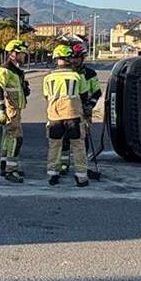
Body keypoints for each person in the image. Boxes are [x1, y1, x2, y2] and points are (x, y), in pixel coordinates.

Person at [43, 44, 90, 186]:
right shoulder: (77, 76)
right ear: (68, 58)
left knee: (54, 146)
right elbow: (84, 96)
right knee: (78, 146)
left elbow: (47, 96)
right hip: (73, 115)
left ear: (56, 59)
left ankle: (53, 174)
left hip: (54, 116)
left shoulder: (48, 78)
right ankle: (81, 177)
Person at [0, 38, 29, 182]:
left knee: (7, 138)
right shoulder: (5, 69)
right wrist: (1, 109)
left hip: (14, 108)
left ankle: (5, 165)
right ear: (13, 54)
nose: (24, 56)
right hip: (11, 109)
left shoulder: (15, 70)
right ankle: (11, 170)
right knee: (16, 138)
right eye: (22, 53)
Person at [69, 40, 103, 180]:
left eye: (77, 58)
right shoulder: (67, 73)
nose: (74, 61)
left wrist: (90, 105)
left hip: (84, 110)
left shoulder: (90, 73)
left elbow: (97, 92)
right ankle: (63, 166)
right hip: (68, 109)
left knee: (83, 139)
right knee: (64, 138)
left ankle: (83, 164)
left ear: (82, 58)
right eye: (72, 58)